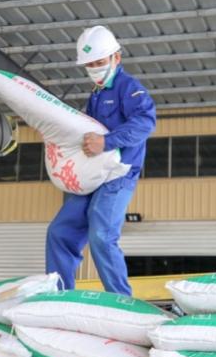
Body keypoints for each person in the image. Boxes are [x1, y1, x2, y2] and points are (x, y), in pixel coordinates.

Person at [45, 25, 156, 296]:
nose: (94, 68)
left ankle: (121, 300)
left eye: (99, 62)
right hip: (93, 174)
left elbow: (145, 123)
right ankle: (59, 295)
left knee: (101, 235)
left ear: (116, 58)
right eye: (89, 65)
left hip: (118, 174)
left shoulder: (129, 88)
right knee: (59, 232)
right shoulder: (95, 95)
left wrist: (106, 142)